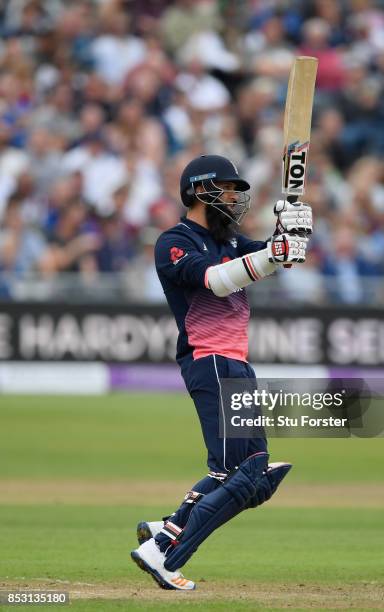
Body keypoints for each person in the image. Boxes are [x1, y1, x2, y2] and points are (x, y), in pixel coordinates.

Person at [130, 154, 312, 590]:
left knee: (257, 476)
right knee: (239, 473)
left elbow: (282, 257)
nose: (235, 197)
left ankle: (166, 531)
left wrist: (294, 231)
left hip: (237, 362)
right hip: (208, 360)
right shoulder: (174, 241)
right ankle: (167, 557)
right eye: (227, 188)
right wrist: (273, 251)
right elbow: (216, 280)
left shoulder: (231, 241)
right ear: (199, 191)